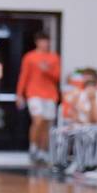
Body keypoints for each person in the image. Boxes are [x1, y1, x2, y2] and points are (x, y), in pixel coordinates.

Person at [16, 32, 60, 163]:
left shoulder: (54, 58)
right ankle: (33, 147)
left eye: (47, 41)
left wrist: (47, 70)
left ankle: (42, 150)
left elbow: (57, 77)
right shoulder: (30, 57)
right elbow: (23, 76)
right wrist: (19, 94)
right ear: (37, 42)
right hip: (33, 93)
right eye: (42, 41)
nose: (45, 44)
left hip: (50, 94)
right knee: (38, 120)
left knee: (47, 124)